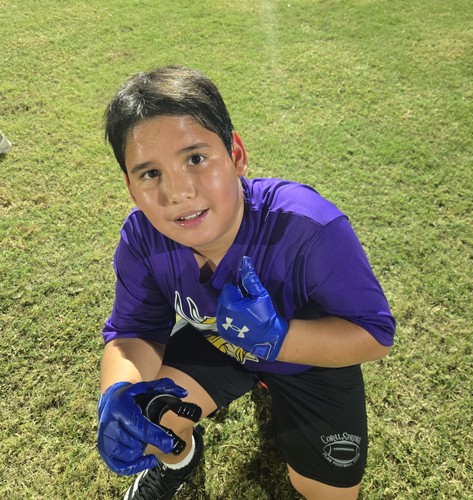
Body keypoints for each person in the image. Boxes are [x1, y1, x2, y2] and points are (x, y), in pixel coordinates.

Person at [97, 65, 396, 500]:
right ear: (130, 187)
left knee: (326, 494)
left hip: (308, 359)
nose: (177, 192)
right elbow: (135, 332)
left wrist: (278, 339)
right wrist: (118, 392)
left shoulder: (309, 227)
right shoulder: (143, 238)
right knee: (146, 419)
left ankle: (272, 381)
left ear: (236, 154)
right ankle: (179, 462)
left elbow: (375, 336)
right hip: (218, 340)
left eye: (195, 159)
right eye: (150, 174)